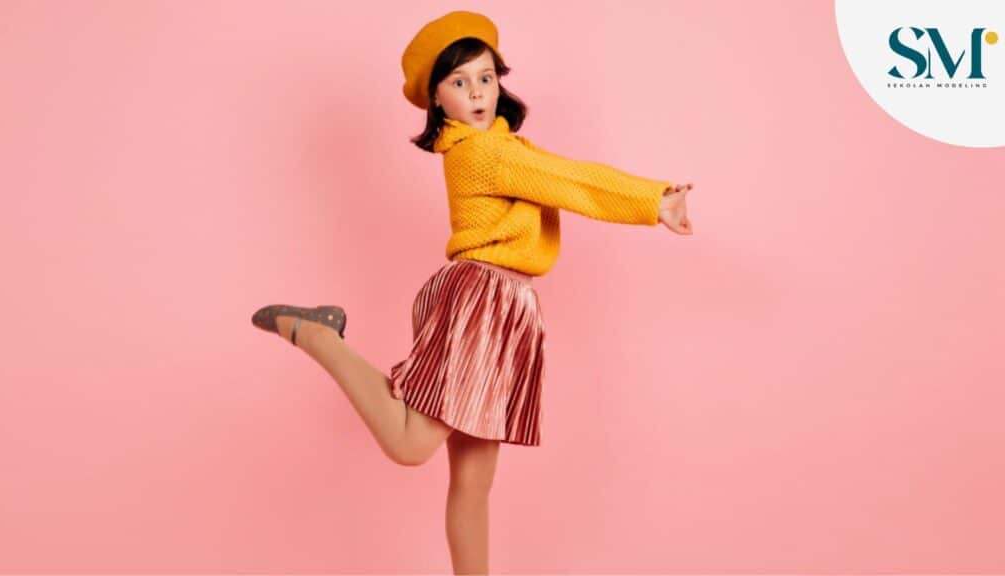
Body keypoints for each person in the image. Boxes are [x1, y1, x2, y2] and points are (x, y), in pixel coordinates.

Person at [251, 9, 694, 575]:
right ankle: (317, 335)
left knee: (473, 483)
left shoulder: (507, 147)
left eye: (485, 77)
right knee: (412, 445)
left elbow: (558, 173)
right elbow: (572, 180)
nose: (478, 92)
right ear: (437, 100)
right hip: (482, 299)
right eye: (459, 82)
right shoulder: (484, 153)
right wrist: (654, 201)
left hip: (506, 305)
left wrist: (652, 201)